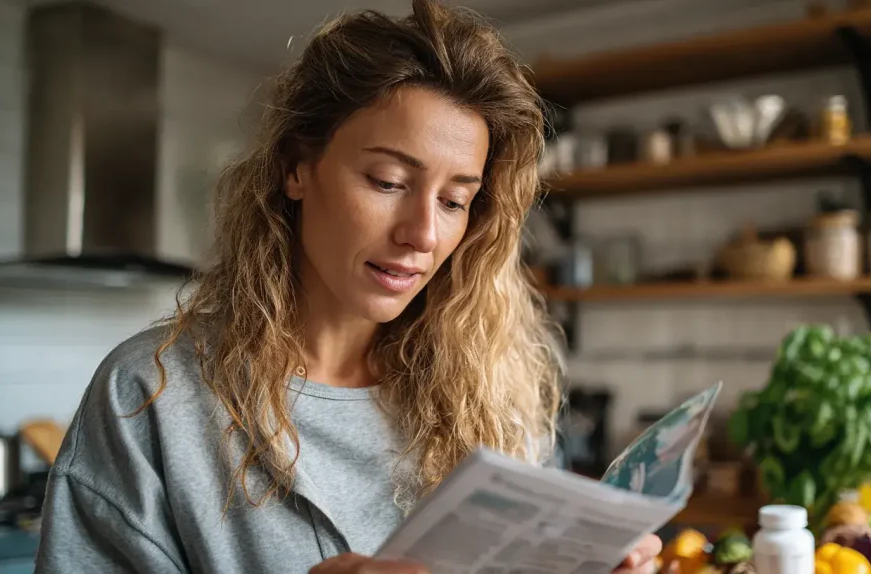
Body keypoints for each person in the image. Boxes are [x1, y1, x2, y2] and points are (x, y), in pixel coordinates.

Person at [34, 1, 661, 572]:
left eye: (454, 200)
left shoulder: (499, 393)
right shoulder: (151, 396)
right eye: (388, 182)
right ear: (297, 168)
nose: (422, 233)